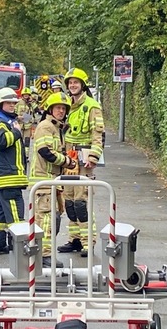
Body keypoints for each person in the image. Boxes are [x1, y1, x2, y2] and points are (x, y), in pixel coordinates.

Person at [57, 68, 104, 257]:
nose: (72, 85)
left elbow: (97, 134)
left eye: (76, 82)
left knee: (81, 203)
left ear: (82, 84)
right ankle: (74, 240)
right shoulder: (67, 105)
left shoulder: (92, 106)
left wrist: (93, 157)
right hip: (69, 159)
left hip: (83, 159)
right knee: (69, 202)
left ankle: (88, 243)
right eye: (70, 83)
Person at [30, 92, 77, 268]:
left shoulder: (57, 128)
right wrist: (67, 161)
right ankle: (44, 256)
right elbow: (45, 152)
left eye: (64, 109)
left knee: (53, 221)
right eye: (58, 108)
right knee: (46, 222)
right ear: (50, 109)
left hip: (53, 182)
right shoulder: (46, 126)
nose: (61, 111)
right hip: (43, 182)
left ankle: (44, 254)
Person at [0, 87, 29, 255]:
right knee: (15, 215)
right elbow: (2, 141)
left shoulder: (3, 119)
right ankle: (20, 249)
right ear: (0, 104)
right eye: (9, 103)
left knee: (0, 214)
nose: (13, 105)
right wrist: (17, 132)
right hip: (8, 177)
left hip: (4, 177)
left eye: (14, 103)